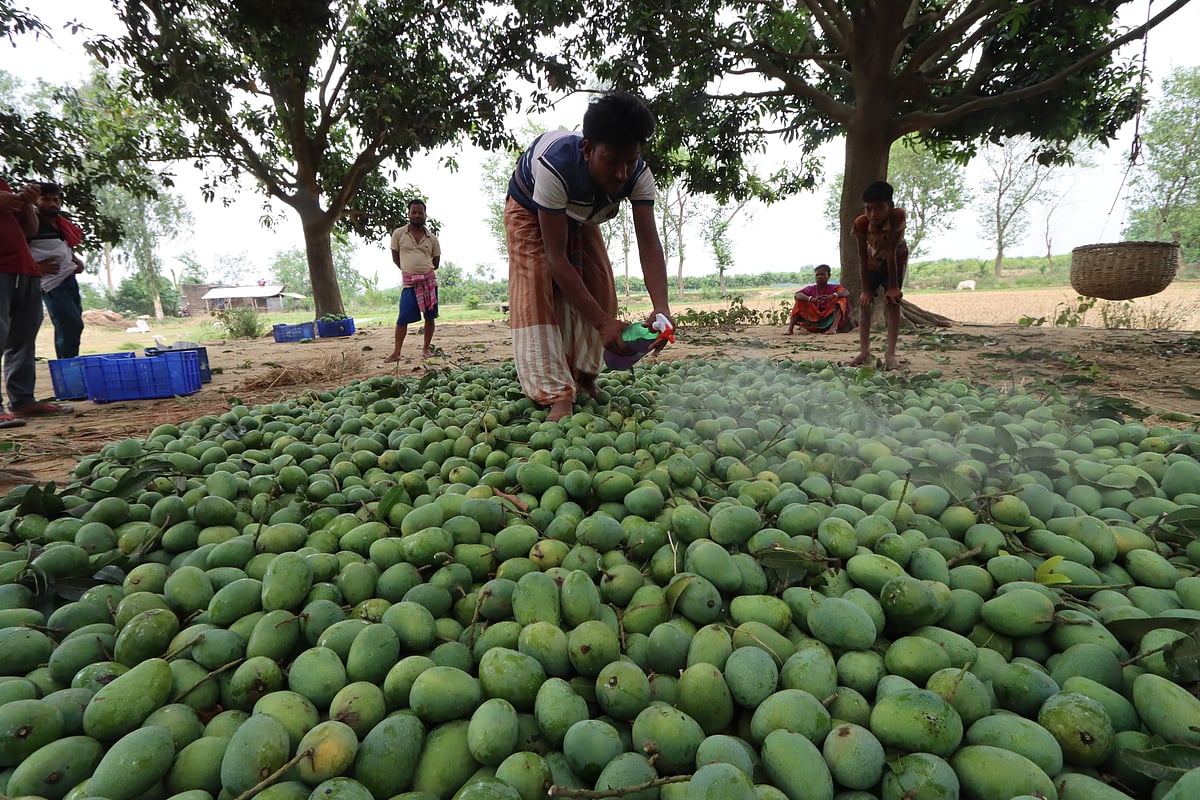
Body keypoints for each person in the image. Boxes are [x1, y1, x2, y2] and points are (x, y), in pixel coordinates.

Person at [504, 91, 672, 422]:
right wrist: (603, 324)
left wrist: (661, 308)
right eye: (611, 161)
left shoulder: (637, 174)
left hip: (580, 214)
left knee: (599, 282)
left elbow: (649, 243)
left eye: (630, 160)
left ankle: (583, 376)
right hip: (530, 210)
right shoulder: (555, 166)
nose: (622, 173)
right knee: (538, 282)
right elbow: (556, 259)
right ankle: (554, 392)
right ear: (587, 149)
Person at [0, 178, 72, 427]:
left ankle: (22, 401)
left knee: (23, 337)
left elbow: (29, 230)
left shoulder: (3, 184)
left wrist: (26, 205)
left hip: (24, 269)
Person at [846, 180, 907, 369]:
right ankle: (864, 351)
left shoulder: (898, 217)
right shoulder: (861, 223)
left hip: (895, 261)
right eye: (868, 209)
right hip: (873, 263)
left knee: (893, 303)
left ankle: (890, 354)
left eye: (879, 208)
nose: (873, 214)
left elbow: (890, 251)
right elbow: (862, 256)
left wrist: (893, 287)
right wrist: (865, 290)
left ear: (890, 206)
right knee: (865, 305)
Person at [28, 183, 86, 359]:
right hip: (51, 284)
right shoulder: (30, 224)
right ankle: (66, 368)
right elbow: (16, 250)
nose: (53, 204)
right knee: (70, 325)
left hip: (69, 281)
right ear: (36, 201)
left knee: (75, 326)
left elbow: (61, 248)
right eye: (46, 199)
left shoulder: (61, 224)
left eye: (55, 199)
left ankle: (70, 363)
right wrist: (36, 268)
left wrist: (75, 261)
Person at [385, 198, 440, 362]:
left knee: (430, 317)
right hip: (409, 284)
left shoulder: (432, 238)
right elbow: (395, 257)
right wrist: (410, 272)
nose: (417, 215)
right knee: (403, 318)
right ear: (408, 214)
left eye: (420, 212)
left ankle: (425, 349)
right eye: (413, 212)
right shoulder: (399, 234)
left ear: (425, 215)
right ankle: (396, 352)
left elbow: (436, 262)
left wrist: (423, 272)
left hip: (429, 283)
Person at [785, 263, 850, 335]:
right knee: (800, 301)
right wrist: (810, 299)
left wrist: (831, 296)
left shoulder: (834, 287)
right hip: (814, 319)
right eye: (817, 275)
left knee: (841, 300)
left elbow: (846, 292)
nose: (820, 277)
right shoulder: (810, 289)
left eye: (822, 274)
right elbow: (797, 295)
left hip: (830, 319)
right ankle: (790, 328)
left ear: (828, 276)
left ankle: (833, 328)